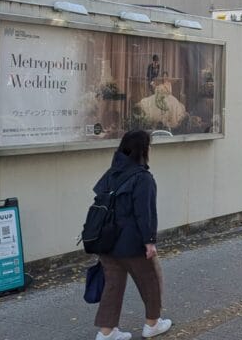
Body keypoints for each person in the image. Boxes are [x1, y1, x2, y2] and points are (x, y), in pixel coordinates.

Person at [93, 130, 172, 340]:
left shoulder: (112, 173)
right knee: (151, 281)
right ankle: (152, 324)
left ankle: (106, 332)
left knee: (113, 285)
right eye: (150, 146)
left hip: (106, 241)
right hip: (131, 243)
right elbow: (144, 213)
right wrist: (150, 242)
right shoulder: (142, 178)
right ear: (143, 149)